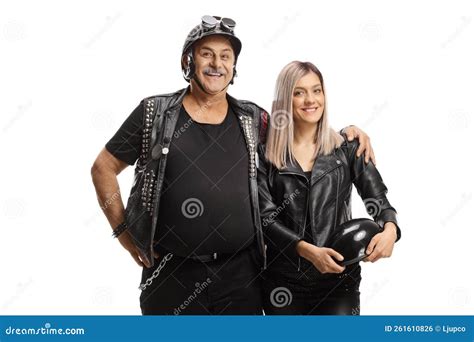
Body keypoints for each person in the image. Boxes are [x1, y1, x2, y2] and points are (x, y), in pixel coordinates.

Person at [91, 16, 374, 315]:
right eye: (207, 54)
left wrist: (347, 133)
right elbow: (103, 167)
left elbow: (300, 132)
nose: (217, 64)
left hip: (242, 278)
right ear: (188, 60)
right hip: (170, 275)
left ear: (234, 66)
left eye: (225, 56)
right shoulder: (155, 112)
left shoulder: (254, 120)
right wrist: (123, 232)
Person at [257, 61, 401, 315]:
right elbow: (265, 218)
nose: (310, 100)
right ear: (284, 100)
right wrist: (306, 250)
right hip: (283, 281)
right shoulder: (265, 154)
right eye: (298, 92)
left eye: (317, 90)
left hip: (339, 279)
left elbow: (377, 200)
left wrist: (390, 229)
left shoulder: (348, 147)